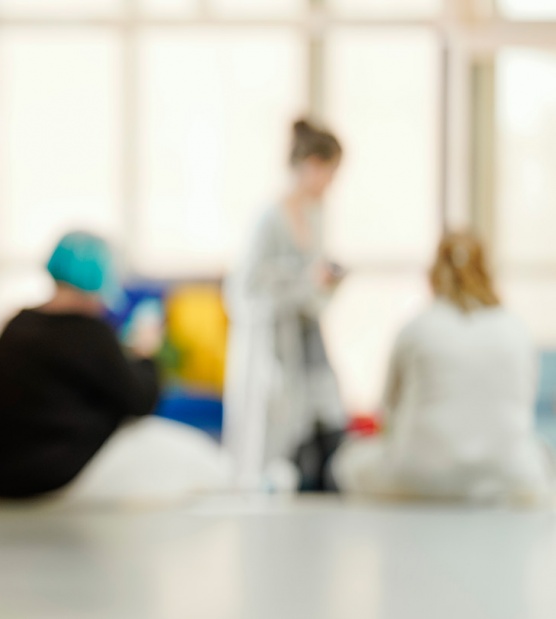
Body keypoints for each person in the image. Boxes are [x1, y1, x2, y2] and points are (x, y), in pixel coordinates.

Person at [0, 232, 229, 502]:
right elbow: (141, 401)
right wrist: (146, 353)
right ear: (99, 278)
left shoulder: (16, 325)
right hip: (60, 475)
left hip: (3, 475)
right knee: (204, 462)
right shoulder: (89, 333)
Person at [333, 233, 554, 504]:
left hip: (418, 478)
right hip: (509, 477)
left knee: (347, 461)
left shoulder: (416, 328)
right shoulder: (516, 328)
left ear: (433, 274)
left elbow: (387, 412)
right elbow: (523, 406)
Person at [223, 118, 347, 492]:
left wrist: (322, 283)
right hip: (267, 343)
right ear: (311, 164)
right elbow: (242, 293)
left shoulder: (315, 215)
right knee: (266, 437)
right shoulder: (268, 219)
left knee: (319, 422)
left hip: (306, 337)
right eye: (330, 172)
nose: (331, 183)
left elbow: (312, 289)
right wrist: (300, 283)